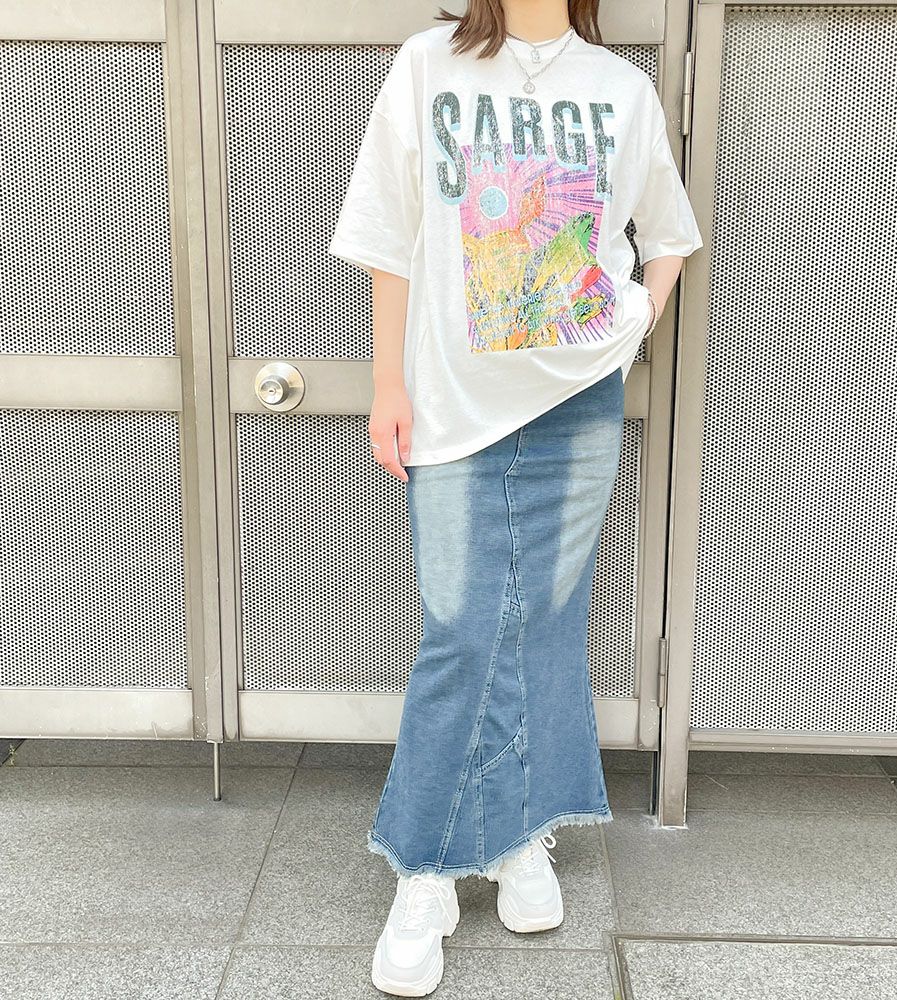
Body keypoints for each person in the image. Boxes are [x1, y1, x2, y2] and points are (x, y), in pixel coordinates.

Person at [328, 0, 703, 994]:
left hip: (577, 404)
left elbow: (669, 234)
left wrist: (631, 320)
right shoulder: (427, 67)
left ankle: (517, 838)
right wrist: (387, 384)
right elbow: (388, 235)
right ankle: (425, 867)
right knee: (461, 629)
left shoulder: (620, 89)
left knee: (543, 622)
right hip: (453, 401)